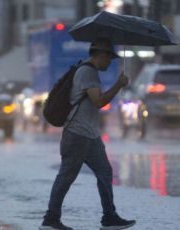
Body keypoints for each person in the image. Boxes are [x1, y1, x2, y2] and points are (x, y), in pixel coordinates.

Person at [39, 38, 136, 230]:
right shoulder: (87, 72)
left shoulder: (89, 71)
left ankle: (109, 217)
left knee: (105, 172)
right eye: (109, 58)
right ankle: (50, 220)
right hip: (77, 134)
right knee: (66, 176)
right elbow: (98, 101)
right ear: (101, 55)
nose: (110, 62)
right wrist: (118, 85)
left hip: (90, 135)